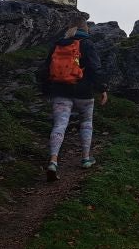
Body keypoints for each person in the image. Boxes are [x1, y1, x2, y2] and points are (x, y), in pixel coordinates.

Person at [39, 18, 108, 181]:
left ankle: (53, 161)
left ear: (69, 28)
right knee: (86, 123)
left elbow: (45, 68)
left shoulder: (58, 44)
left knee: (59, 125)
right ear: (86, 29)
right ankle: (85, 158)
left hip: (61, 91)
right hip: (84, 93)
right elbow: (95, 68)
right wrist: (103, 89)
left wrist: (46, 90)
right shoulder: (87, 44)